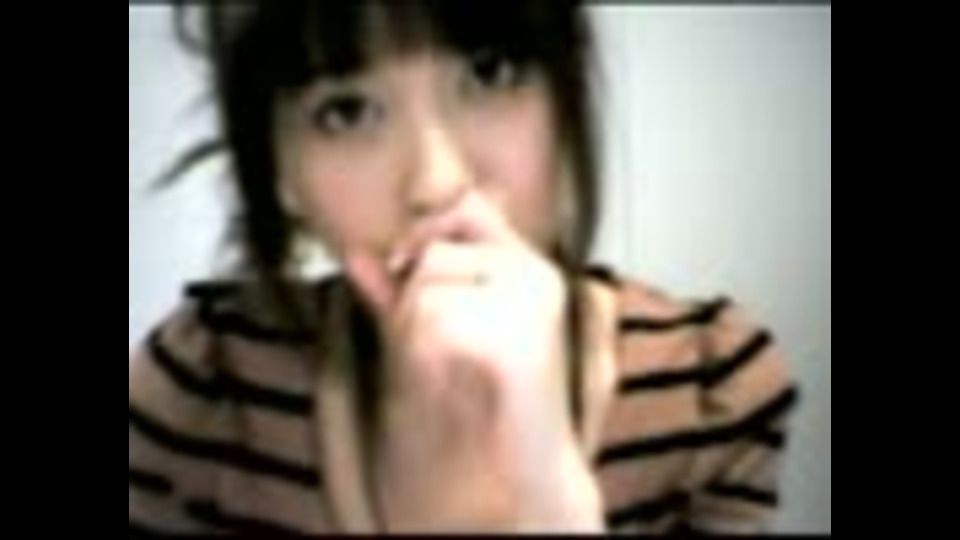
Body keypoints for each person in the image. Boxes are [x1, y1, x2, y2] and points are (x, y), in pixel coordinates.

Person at [129, 0, 799, 534]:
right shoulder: (201, 392)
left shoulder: (709, 397)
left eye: (489, 72)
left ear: (565, 97)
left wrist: (551, 490)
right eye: (347, 111)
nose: (438, 183)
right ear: (281, 175)